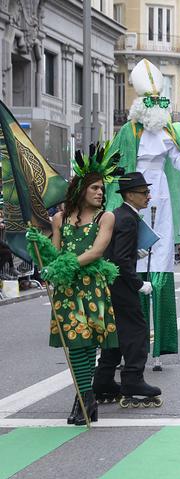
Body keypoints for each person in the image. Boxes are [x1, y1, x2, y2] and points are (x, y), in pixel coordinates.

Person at [104, 59, 180, 371]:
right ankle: (131, 344)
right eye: (151, 102)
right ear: (141, 104)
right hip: (134, 198)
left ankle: (159, 346)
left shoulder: (168, 130)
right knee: (134, 263)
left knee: (161, 263)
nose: (157, 107)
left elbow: (178, 163)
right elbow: (113, 168)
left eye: (160, 102)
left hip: (162, 198)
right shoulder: (128, 132)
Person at [25, 145, 122, 424]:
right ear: (81, 189)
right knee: (75, 344)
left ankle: (83, 399)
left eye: (102, 189)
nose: (100, 193)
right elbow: (54, 254)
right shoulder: (59, 219)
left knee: (87, 341)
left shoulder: (107, 217)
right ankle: (85, 399)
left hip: (91, 286)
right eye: (94, 188)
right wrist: (40, 246)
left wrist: (64, 266)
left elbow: (96, 252)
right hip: (68, 289)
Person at [93, 172, 162, 408]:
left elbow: (115, 253)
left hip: (112, 285)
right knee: (136, 331)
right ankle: (133, 379)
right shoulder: (128, 219)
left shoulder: (121, 215)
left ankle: (102, 381)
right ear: (130, 195)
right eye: (144, 193)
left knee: (117, 333)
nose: (148, 196)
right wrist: (138, 284)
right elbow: (121, 260)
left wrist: (135, 252)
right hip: (122, 286)